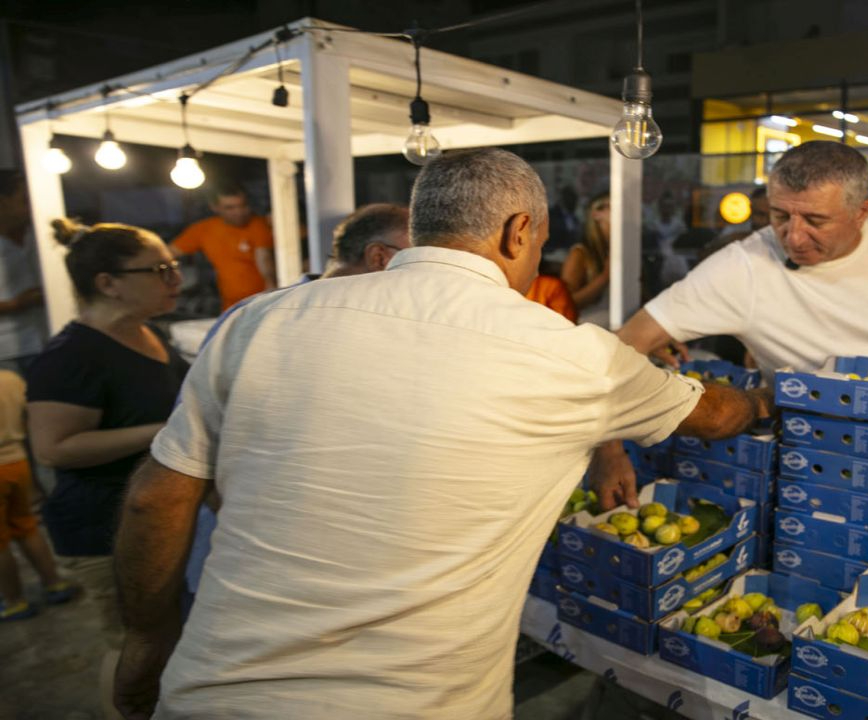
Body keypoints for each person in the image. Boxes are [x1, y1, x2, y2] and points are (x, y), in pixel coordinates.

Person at [112, 148, 770, 720]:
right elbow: (716, 416)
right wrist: (762, 397)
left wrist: (145, 642)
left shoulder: (258, 320)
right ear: (518, 232)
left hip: (214, 692)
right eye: (539, 243)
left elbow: (154, 499)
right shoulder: (571, 354)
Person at [592, 140, 868, 509]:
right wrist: (608, 450)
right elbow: (619, 348)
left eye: (815, 221)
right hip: (819, 464)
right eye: (780, 216)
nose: (794, 238)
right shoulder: (740, 269)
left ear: (862, 212)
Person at [180, 203, 412, 604]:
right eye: (418, 261)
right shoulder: (258, 320)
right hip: (248, 560)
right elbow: (198, 450)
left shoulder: (390, 327)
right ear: (380, 258)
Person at [25, 219, 189, 718]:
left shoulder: (146, 333)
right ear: (108, 283)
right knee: (130, 645)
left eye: (174, 266)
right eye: (160, 270)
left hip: (149, 515)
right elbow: (54, 448)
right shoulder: (72, 355)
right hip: (101, 523)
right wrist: (168, 430)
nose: (176, 278)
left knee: (164, 641)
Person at [0, 368, 74, 621]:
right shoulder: (10, 379)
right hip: (17, 461)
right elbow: (30, 417)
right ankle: (54, 583)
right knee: (26, 525)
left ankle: (14, 602)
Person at [171, 180, 276, 310]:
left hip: (265, 303)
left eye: (243, 205)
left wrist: (271, 287)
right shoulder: (203, 230)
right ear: (215, 207)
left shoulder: (260, 225)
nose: (239, 212)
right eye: (230, 208)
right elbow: (168, 253)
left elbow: (264, 257)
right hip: (231, 307)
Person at [0, 171, 48, 376]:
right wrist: (16, 304)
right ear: (3, 202)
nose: (32, 207)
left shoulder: (41, 236)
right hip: (6, 350)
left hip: (46, 340)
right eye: (25, 200)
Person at [560, 191, 611, 325]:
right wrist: (605, 277)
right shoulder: (580, 254)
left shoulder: (626, 251)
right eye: (613, 207)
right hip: (587, 330)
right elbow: (565, 303)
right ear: (596, 214)